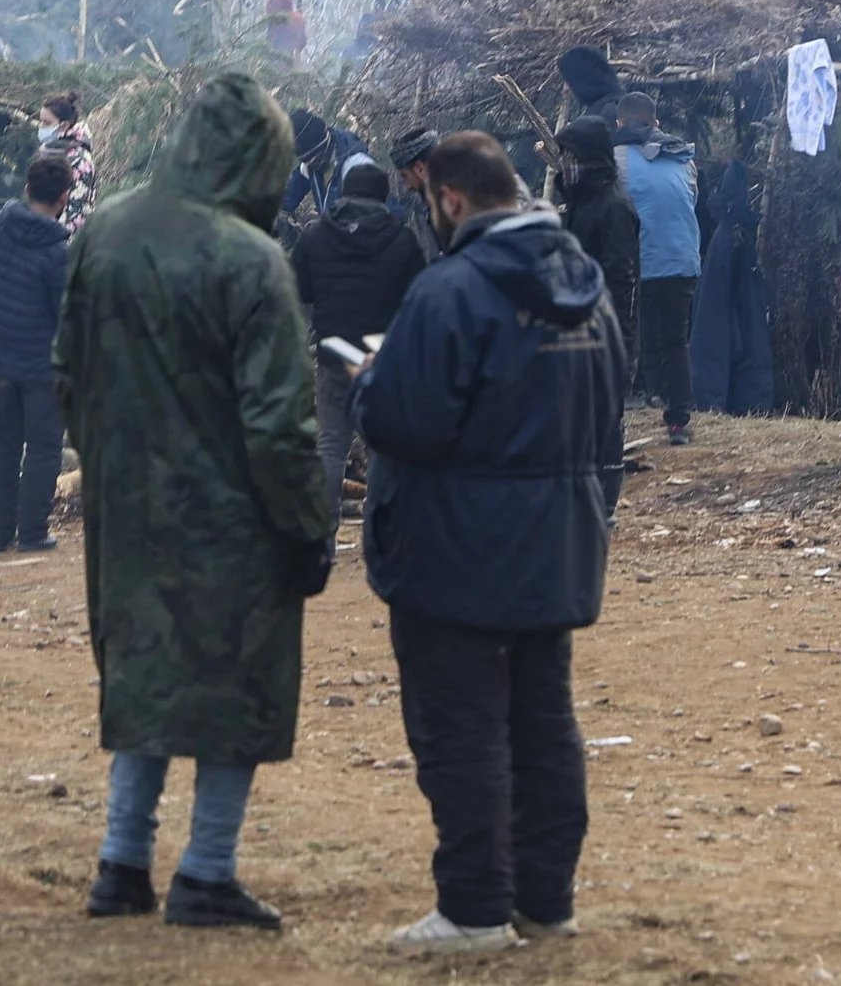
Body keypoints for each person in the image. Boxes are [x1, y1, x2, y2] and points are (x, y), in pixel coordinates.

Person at [55, 73, 334, 932]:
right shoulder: (253, 261)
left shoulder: (105, 230)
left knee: (146, 679)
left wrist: (107, 464)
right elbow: (280, 423)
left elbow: (68, 372)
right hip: (231, 519)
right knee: (231, 687)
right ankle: (207, 871)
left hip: (127, 508)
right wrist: (308, 529)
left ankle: (120, 864)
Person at [353, 130, 628, 954]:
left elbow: (408, 421)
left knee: (460, 728)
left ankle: (472, 908)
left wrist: (371, 382)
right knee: (544, 721)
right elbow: (611, 400)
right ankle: (545, 900)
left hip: (455, 547)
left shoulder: (449, 291)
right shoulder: (587, 284)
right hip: (559, 539)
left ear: (449, 200)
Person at [290, 160, 427, 518]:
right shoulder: (401, 239)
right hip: (382, 357)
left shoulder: (314, 235)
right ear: (382, 196)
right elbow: (418, 297)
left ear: (345, 193)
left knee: (331, 445)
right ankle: (379, 533)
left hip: (334, 355)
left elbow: (300, 290)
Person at [0, 155, 74, 554]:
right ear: (64, 198)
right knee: (44, 446)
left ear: (27, 189)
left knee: (2, 442)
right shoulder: (60, 250)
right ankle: (31, 532)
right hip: (42, 364)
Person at [613, 92, 700, 445]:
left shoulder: (614, 158)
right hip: (683, 258)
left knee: (627, 337)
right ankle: (678, 420)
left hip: (641, 261)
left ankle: (620, 414)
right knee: (675, 339)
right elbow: (689, 198)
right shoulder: (683, 155)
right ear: (656, 123)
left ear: (619, 124)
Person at [555, 117, 640, 353]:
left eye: (570, 157)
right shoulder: (581, 198)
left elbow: (620, 279)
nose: (563, 164)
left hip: (605, 330)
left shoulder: (615, 206)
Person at [282, 109, 372, 221]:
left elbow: (374, 223)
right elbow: (290, 195)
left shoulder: (358, 167)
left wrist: (320, 229)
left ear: (317, 148)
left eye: (309, 158)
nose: (307, 163)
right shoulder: (313, 162)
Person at [35, 93, 96, 233]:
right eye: (41, 121)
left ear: (64, 125)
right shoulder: (46, 151)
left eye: (47, 122)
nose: (41, 126)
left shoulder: (80, 160)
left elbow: (77, 212)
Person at [389, 128, 443, 265]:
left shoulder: (454, 209)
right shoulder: (439, 208)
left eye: (405, 176)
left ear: (419, 168)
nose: (407, 187)